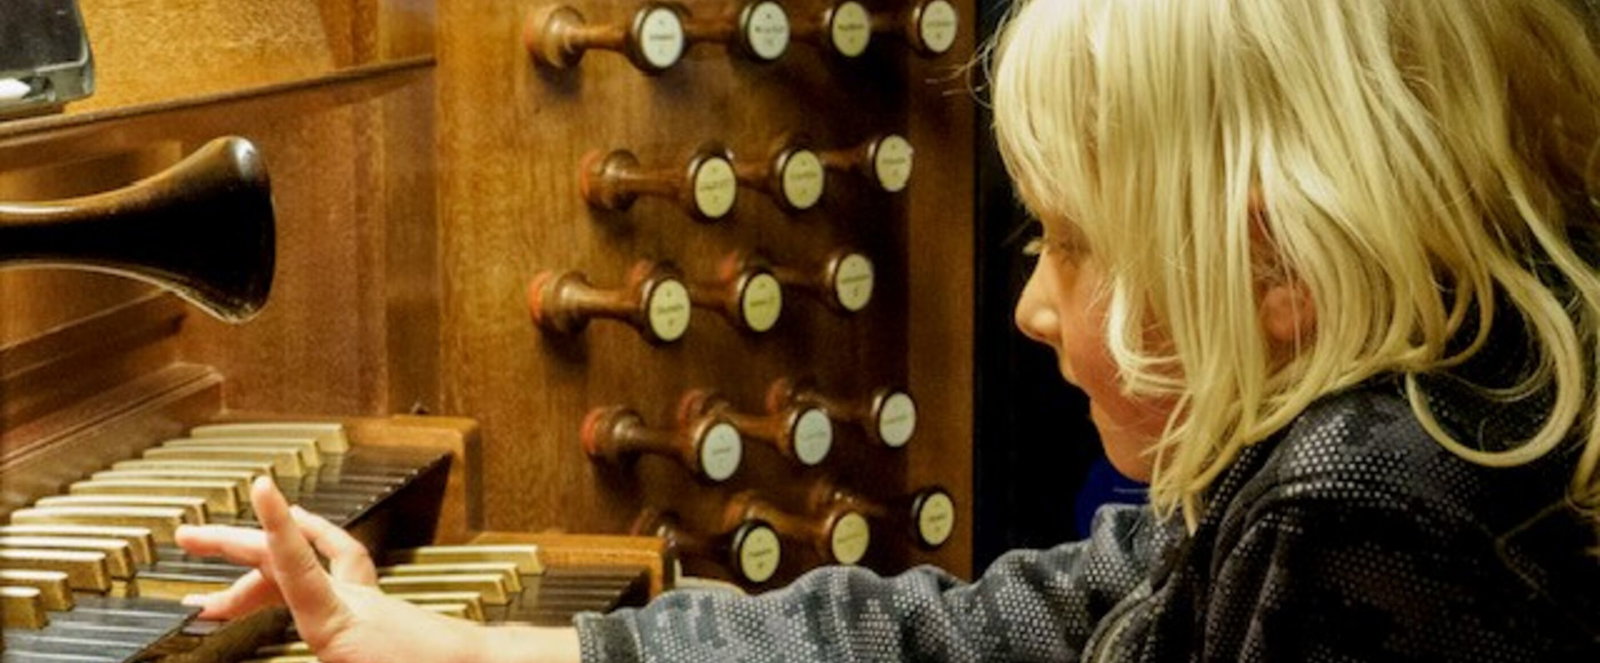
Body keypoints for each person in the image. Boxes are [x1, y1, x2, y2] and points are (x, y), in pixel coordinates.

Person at [175, 0, 1600, 659]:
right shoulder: (1399, 422)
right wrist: (483, 652)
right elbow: (994, 625)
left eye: (1076, 243)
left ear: (1273, 259)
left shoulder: (1359, 516)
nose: (1033, 305)